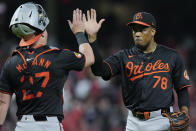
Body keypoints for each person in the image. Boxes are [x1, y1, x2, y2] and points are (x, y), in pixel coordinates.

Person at [83, 9, 192, 131]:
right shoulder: (123, 57)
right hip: (134, 122)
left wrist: (184, 113)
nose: (137, 33)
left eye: (142, 29)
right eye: (134, 29)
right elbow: (100, 71)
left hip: (162, 119)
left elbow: (182, 89)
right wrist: (92, 40)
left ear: (152, 31)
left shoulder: (171, 56)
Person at [0, 2, 94, 131]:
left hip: (23, 125)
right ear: (42, 32)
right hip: (49, 125)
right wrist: (79, 33)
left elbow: (3, 102)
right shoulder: (58, 57)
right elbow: (89, 58)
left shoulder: (11, 62)